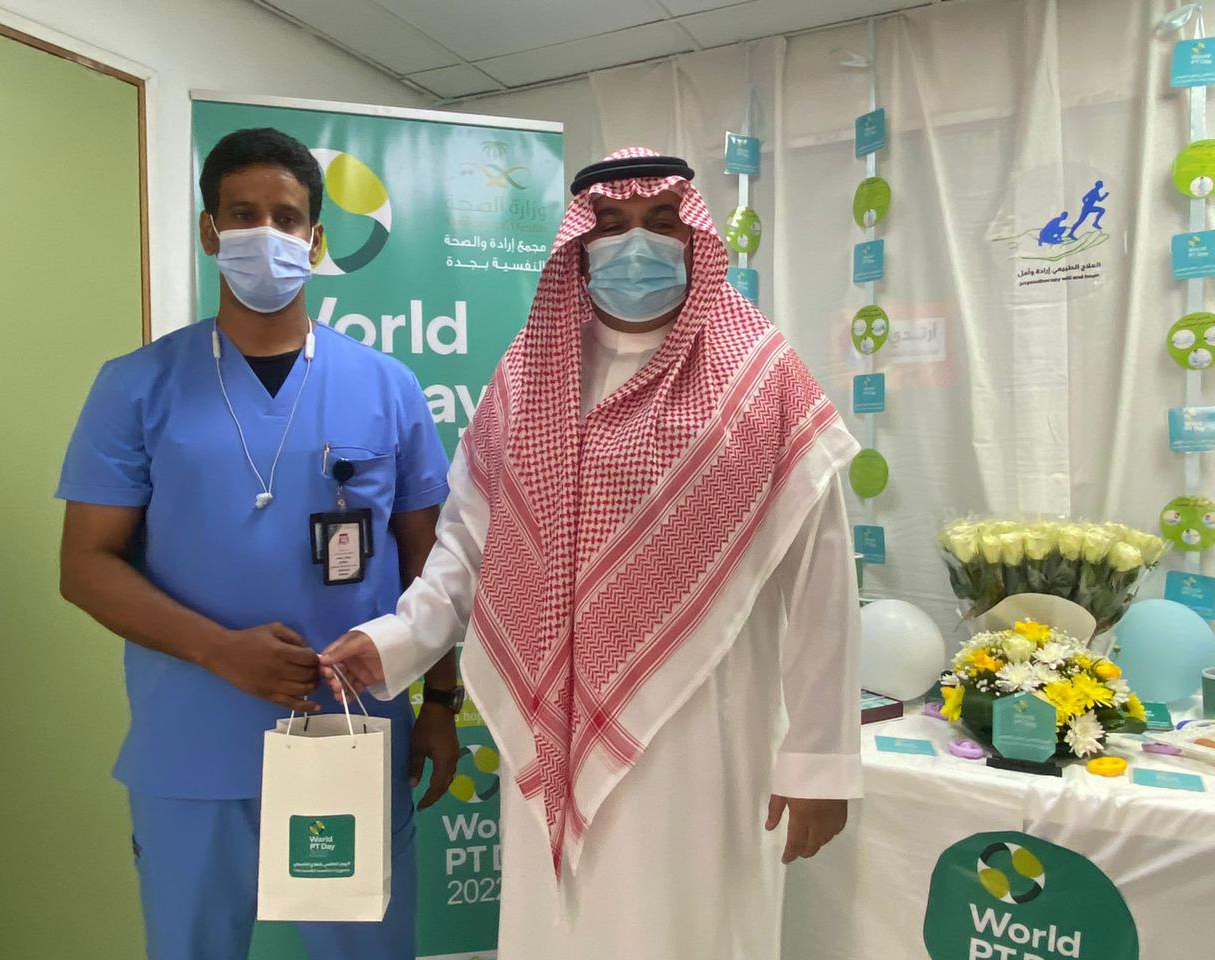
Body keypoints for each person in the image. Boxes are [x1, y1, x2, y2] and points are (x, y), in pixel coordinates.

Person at [321, 147, 863, 959]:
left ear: (694, 237)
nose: (635, 244)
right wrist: (400, 638)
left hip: (706, 733)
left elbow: (821, 577)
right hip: (552, 724)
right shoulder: (528, 379)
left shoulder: (761, 378)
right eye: (611, 224)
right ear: (579, 244)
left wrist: (819, 760)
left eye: (659, 221)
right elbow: (467, 541)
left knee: (692, 931)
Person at [57, 127, 460, 960]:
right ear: (210, 232)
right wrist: (219, 651)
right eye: (242, 215)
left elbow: (431, 563)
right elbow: (85, 565)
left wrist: (440, 704)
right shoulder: (137, 386)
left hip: (353, 738)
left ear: (316, 240)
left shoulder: (386, 388)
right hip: (192, 747)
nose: (265, 234)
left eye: (286, 218)